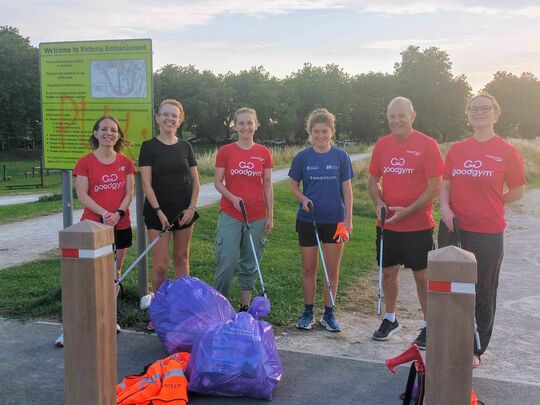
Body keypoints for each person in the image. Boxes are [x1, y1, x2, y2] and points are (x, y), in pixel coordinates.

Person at [438, 93, 525, 368]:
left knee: (483, 290)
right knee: (449, 286)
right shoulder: (458, 149)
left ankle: (476, 348)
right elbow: (446, 183)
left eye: (485, 108)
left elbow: (518, 190)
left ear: (495, 113)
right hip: (454, 228)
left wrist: (493, 203)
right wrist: (444, 208)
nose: (479, 112)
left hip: (488, 232)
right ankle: (449, 339)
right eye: (474, 109)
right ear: (468, 114)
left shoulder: (507, 150)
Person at [368, 97, 444, 349]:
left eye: (402, 115)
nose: (397, 120)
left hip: (418, 226)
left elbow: (435, 187)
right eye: (392, 116)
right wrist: (378, 202)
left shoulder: (428, 145)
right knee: (388, 273)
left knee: (422, 277)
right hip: (388, 224)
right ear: (388, 117)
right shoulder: (382, 144)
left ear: (412, 115)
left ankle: (429, 325)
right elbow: (373, 180)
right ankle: (390, 319)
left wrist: (409, 210)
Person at [56, 115, 136, 347]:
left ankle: (108, 321)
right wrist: (103, 214)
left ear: (118, 135)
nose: (108, 133)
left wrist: (118, 214)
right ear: (95, 133)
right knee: (85, 278)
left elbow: (128, 193)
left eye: (113, 130)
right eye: (103, 129)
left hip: (120, 225)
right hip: (92, 227)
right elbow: (82, 194)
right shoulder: (85, 162)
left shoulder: (126, 163)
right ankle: (70, 328)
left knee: (114, 273)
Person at [289, 108, 353, 332]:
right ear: (310, 133)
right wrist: (303, 198)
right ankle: (308, 312)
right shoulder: (303, 157)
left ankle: (329, 314)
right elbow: (293, 186)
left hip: (336, 222)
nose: (320, 135)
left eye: (325, 131)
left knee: (331, 269)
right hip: (308, 220)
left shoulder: (341, 157)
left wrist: (348, 220)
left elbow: (347, 190)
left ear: (332, 131)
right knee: (308, 268)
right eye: (316, 131)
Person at [139, 99, 200, 329]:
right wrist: (158, 211)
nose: (169, 119)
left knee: (182, 259)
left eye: (174, 115)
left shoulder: (186, 146)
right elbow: (146, 184)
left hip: (184, 212)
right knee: (161, 265)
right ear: (157, 118)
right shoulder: (148, 146)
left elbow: (195, 181)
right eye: (165, 114)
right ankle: (160, 311)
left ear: (180, 119)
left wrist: (191, 208)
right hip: (157, 214)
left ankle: (182, 310)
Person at [214, 107, 273, 310]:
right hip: (231, 214)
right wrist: (232, 198)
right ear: (235, 126)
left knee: (249, 263)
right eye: (241, 123)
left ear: (256, 125)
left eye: (250, 123)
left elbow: (267, 184)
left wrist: (270, 216)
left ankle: (245, 307)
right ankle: (219, 306)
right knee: (227, 261)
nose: (245, 127)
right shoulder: (226, 151)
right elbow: (218, 183)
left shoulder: (264, 153)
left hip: (256, 216)